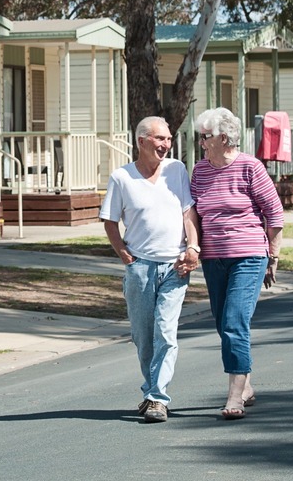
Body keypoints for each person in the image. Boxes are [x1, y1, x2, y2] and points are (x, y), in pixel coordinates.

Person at [99, 116, 200, 423]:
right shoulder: (122, 178)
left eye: (168, 139)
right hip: (140, 267)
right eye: (159, 139)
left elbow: (188, 212)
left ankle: (157, 397)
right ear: (141, 141)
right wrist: (124, 254)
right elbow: (109, 219)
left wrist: (192, 247)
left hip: (175, 265)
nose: (165, 145)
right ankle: (151, 389)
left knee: (166, 333)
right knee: (144, 337)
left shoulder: (177, 170)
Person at [188, 107, 284, 421]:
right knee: (222, 323)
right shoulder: (200, 171)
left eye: (206, 136)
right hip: (213, 258)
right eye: (200, 136)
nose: (201, 142)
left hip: (249, 255)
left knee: (234, 322)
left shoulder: (250, 168)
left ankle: (234, 395)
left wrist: (273, 255)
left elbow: (274, 213)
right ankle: (247, 384)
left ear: (225, 138)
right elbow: (194, 213)